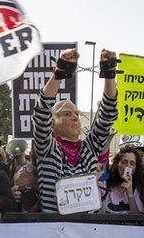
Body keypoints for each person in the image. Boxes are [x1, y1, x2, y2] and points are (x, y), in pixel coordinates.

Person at [33, 48, 119, 213]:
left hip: (85, 230)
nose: (75, 117)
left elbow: (107, 114)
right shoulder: (47, 148)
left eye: (77, 114)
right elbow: (42, 111)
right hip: (56, 230)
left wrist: (109, 74)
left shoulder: (90, 148)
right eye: (67, 113)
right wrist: (60, 72)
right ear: (52, 123)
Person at [100, 148, 144, 214]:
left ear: (136, 168)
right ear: (117, 164)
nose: (128, 166)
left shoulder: (138, 188)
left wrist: (130, 194)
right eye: (124, 162)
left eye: (132, 164)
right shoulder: (105, 184)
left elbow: (137, 218)